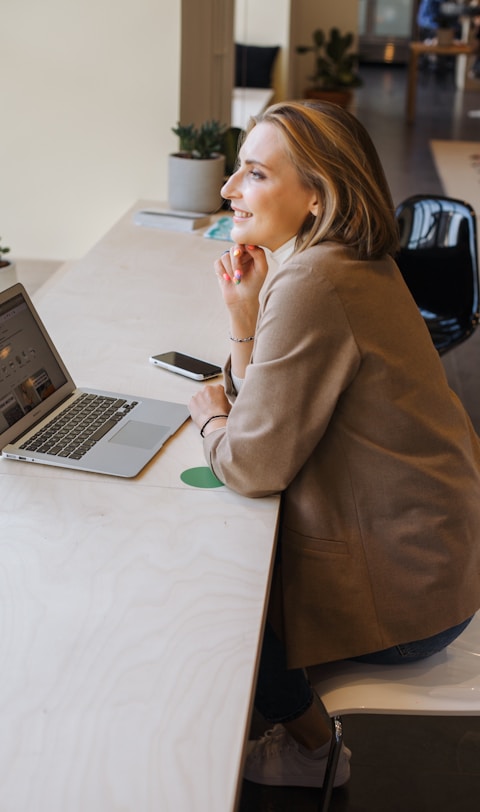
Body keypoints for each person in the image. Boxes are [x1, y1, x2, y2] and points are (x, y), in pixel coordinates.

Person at [188, 100, 480, 789]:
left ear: (318, 194)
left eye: (254, 173)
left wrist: (209, 420)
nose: (230, 189)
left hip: (410, 598)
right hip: (438, 561)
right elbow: (275, 413)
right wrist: (243, 318)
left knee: (222, 612)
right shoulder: (342, 261)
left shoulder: (317, 280)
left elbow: (254, 460)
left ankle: (316, 752)